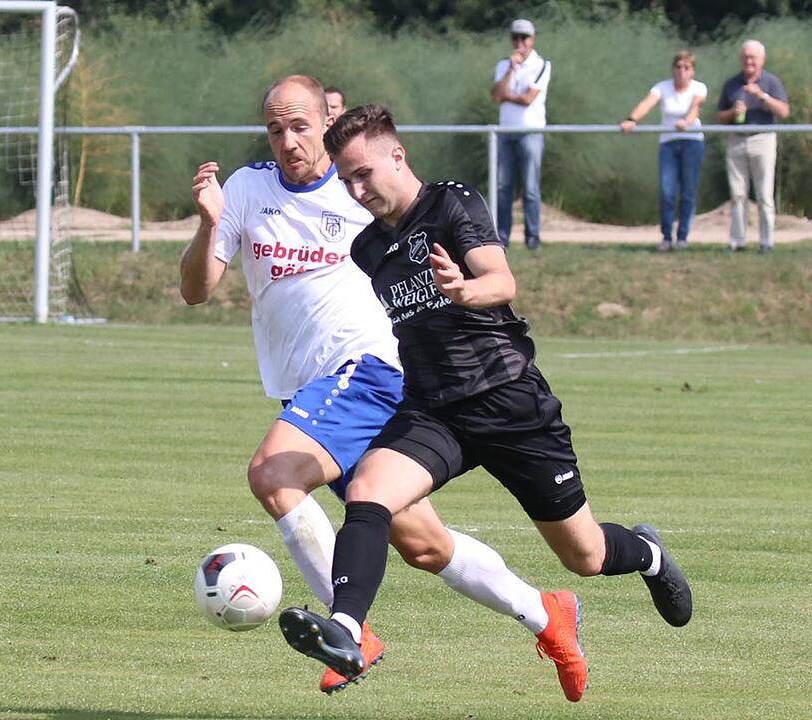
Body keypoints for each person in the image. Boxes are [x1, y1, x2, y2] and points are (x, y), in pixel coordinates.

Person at [181, 75, 588, 701]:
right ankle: (548, 614)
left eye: (300, 126)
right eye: (275, 129)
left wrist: (465, 289)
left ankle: (350, 631)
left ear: (328, 122)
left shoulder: (359, 191)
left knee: (273, 474)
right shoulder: (246, 189)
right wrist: (209, 223)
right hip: (310, 395)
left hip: (364, 371)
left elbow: (425, 217)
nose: (288, 141)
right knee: (424, 546)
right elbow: (195, 290)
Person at [279, 105, 693, 692]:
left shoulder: (452, 203)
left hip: (509, 403)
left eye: (364, 173)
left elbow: (502, 281)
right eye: (346, 179)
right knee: (368, 491)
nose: (357, 189)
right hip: (433, 411)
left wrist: (464, 290)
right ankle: (346, 629)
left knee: (586, 556)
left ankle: (647, 553)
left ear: (397, 155)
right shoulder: (367, 248)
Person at [621, 51, 708, 252]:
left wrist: (686, 122)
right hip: (668, 144)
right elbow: (647, 104)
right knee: (667, 191)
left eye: (686, 67)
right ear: (673, 69)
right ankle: (667, 237)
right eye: (678, 67)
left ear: (692, 71)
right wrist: (632, 119)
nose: (681, 71)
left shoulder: (699, 87)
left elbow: (696, 108)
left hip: (692, 142)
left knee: (687, 191)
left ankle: (683, 237)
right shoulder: (662, 87)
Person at [716, 39, 790, 253]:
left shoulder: (771, 82)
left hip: (763, 139)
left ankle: (766, 242)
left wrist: (762, 96)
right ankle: (737, 242)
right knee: (737, 194)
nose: (749, 61)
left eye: (753, 57)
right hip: (736, 139)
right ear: (740, 59)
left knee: (764, 194)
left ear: (762, 60)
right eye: (746, 57)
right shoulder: (731, 84)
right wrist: (733, 112)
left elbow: (784, 111)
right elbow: (720, 117)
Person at [490, 18, 550, 250]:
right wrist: (510, 70)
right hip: (505, 132)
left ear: (532, 40)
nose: (519, 42)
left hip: (531, 132)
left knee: (530, 188)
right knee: (503, 188)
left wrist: (506, 96)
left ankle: (533, 238)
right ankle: (501, 238)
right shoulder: (503, 65)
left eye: (524, 38)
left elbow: (528, 99)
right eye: (515, 37)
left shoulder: (542, 65)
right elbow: (496, 94)